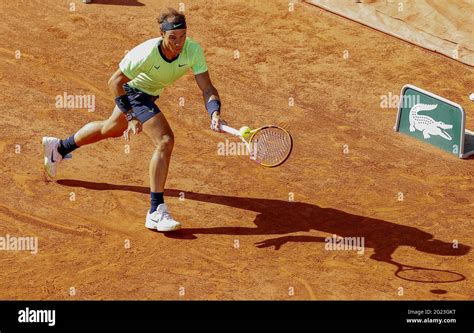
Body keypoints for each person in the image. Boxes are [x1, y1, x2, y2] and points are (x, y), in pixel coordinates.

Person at [42, 8, 225, 232]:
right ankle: (156, 211)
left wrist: (214, 110)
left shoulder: (193, 50)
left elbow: (207, 88)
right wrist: (130, 116)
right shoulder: (146, 53)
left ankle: (59, 147)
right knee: (165, 140)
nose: (179, 43)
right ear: (162, 35)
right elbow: (114, 82)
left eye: (183, 36)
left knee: (110, 129)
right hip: (132, 93)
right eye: (173, 38)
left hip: (148, 94)